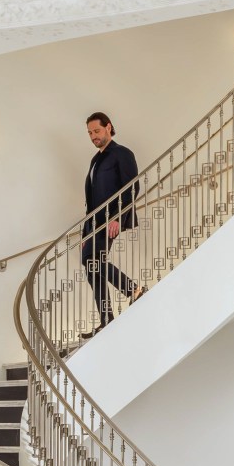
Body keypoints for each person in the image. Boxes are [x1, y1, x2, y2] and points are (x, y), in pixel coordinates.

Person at [81, 111, 144, 332]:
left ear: (109, 127)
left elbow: (131, 187)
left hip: (110, 218)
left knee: (95, 259)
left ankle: (134, 290)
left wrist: (118, 217)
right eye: (90, 133)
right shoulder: (95, 160)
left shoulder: (122, 154)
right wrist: (85, 233)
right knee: (90, 265)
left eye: (96, 131)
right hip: (93, 222)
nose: (93, 136)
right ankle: (107, 319)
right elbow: (91, 199)